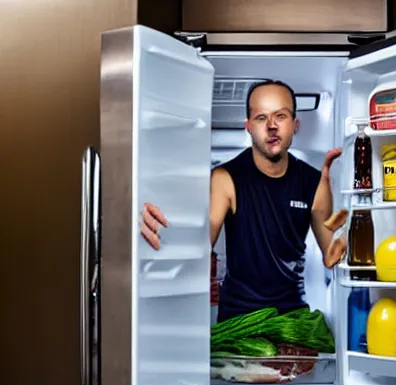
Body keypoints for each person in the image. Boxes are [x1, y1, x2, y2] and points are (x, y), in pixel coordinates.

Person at [141, 79, 347, 322]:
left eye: (280, 116)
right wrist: (163, 225)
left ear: (295, 124)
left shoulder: (313, 182)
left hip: (291, 319)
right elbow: (201, 242)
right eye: (261, 118)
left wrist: (346, 212)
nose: (271, 126)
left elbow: (332, 257)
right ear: (248, 126)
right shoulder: (226, 178)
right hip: (239, 320)